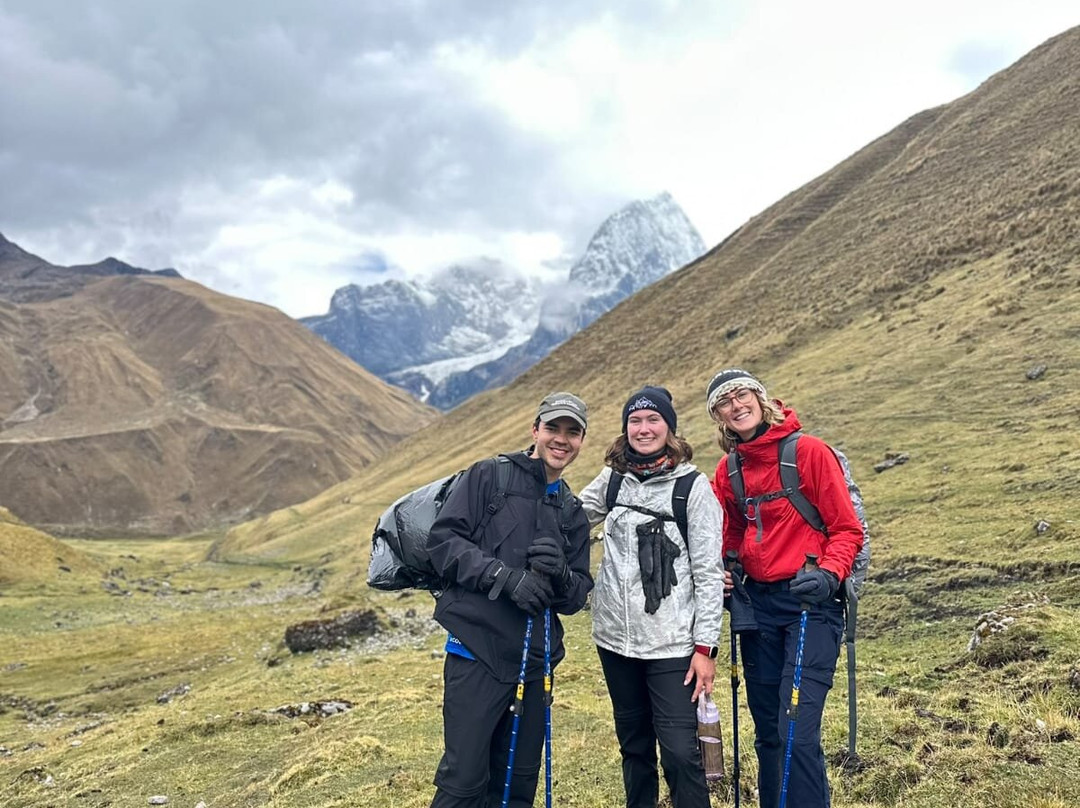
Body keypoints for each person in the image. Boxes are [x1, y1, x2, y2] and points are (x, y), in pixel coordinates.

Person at [426, 391, 595, 808]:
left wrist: (561, 575)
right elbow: (444, 542)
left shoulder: (572, 511)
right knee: (463, 783)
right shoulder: (489, 477)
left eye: (572, 432)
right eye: (553, 428)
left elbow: (576, 596)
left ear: (581, 440)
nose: (561, 439)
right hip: (475, 652)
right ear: (535, 430)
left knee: (517, 785)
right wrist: (503, 577)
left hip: (535, 664)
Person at [705, 369, 864, 808]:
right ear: (718, 416)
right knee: (770, 735)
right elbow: (730, 533)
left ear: (760, 398)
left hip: (809, 604)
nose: (736, 405)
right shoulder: (729, 470)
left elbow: (847, 529)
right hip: (757, 610)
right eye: (724, 402)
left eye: (742, 395)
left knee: (797, 731)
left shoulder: (808, 452)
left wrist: (829, 574)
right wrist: (726, 567)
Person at [579, 386, 725, 808]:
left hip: (673, 645)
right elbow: (570, 518)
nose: (643, 429)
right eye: (635, 421)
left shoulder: (692, 488)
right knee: (634, 747)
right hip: (614, 641)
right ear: (626, 428)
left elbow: (709, 574)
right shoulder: (612, 480)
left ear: (669, 428)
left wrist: (706, 648)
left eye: (653, 420)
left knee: (680, 753)